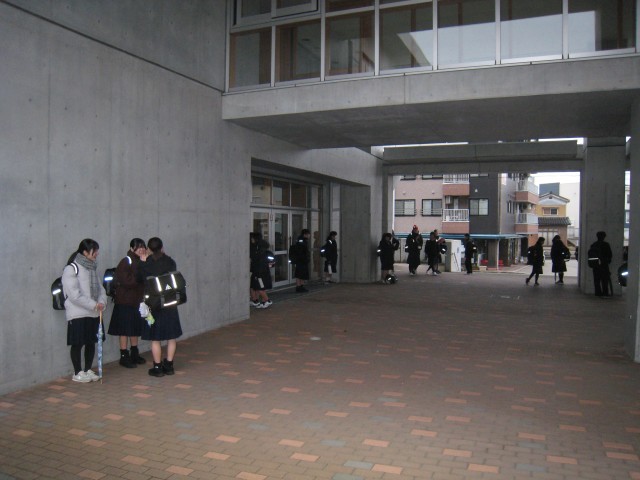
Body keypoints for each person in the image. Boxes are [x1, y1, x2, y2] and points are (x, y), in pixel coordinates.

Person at [61, 239, 108, 383]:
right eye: (94, 251)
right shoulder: (71, 269)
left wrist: (101, 302)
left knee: (91, 342)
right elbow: (74, 295)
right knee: (77, 343)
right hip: (78, 313)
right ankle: (77, 372)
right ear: (85, 252)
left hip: (94, 313)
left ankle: (87, 369)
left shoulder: (92, 268)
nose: (97, 253)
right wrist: (94, 304)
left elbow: (101, 289)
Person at [138, 237, 183, 377]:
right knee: (171, 336)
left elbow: (140, 280)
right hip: (170, 303)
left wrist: (142, 262)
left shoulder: (146, 264)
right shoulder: (170, 262)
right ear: (162, 247)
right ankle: (169, 365)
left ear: (149, 249)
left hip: (154, 305)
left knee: (155, 338)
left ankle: (157, 367)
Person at [108, 238, 148, 368]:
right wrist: (141, 271)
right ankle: (124, 356)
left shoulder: (143, 261)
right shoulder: (126, 261)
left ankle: (134, 353)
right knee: (124, 330)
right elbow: (127, 281)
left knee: (134, 328)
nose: (141, 249)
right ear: (132, 248)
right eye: (138, 247)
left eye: (143, 247)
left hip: (137, 301)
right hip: (125, 301)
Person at [250, 232, 273, 308]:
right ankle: (260, 301)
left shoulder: (258, 250)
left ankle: (267, 301)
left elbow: (259, 262)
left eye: (252, 238)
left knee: (260, 288)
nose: (251, 240)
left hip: (259, 273)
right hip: (260, 272)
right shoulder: (261, 248)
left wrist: (258, 273)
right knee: (256, 287)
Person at [588, 231, 613, 297]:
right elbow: (609, 255)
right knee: (604, 280)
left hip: (595, 265)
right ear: (604, 237)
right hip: (604, 264)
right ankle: (605, 293)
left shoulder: (593, 245)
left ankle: (598, 293)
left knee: (596, 280)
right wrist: (607, 261)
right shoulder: (606, 245)